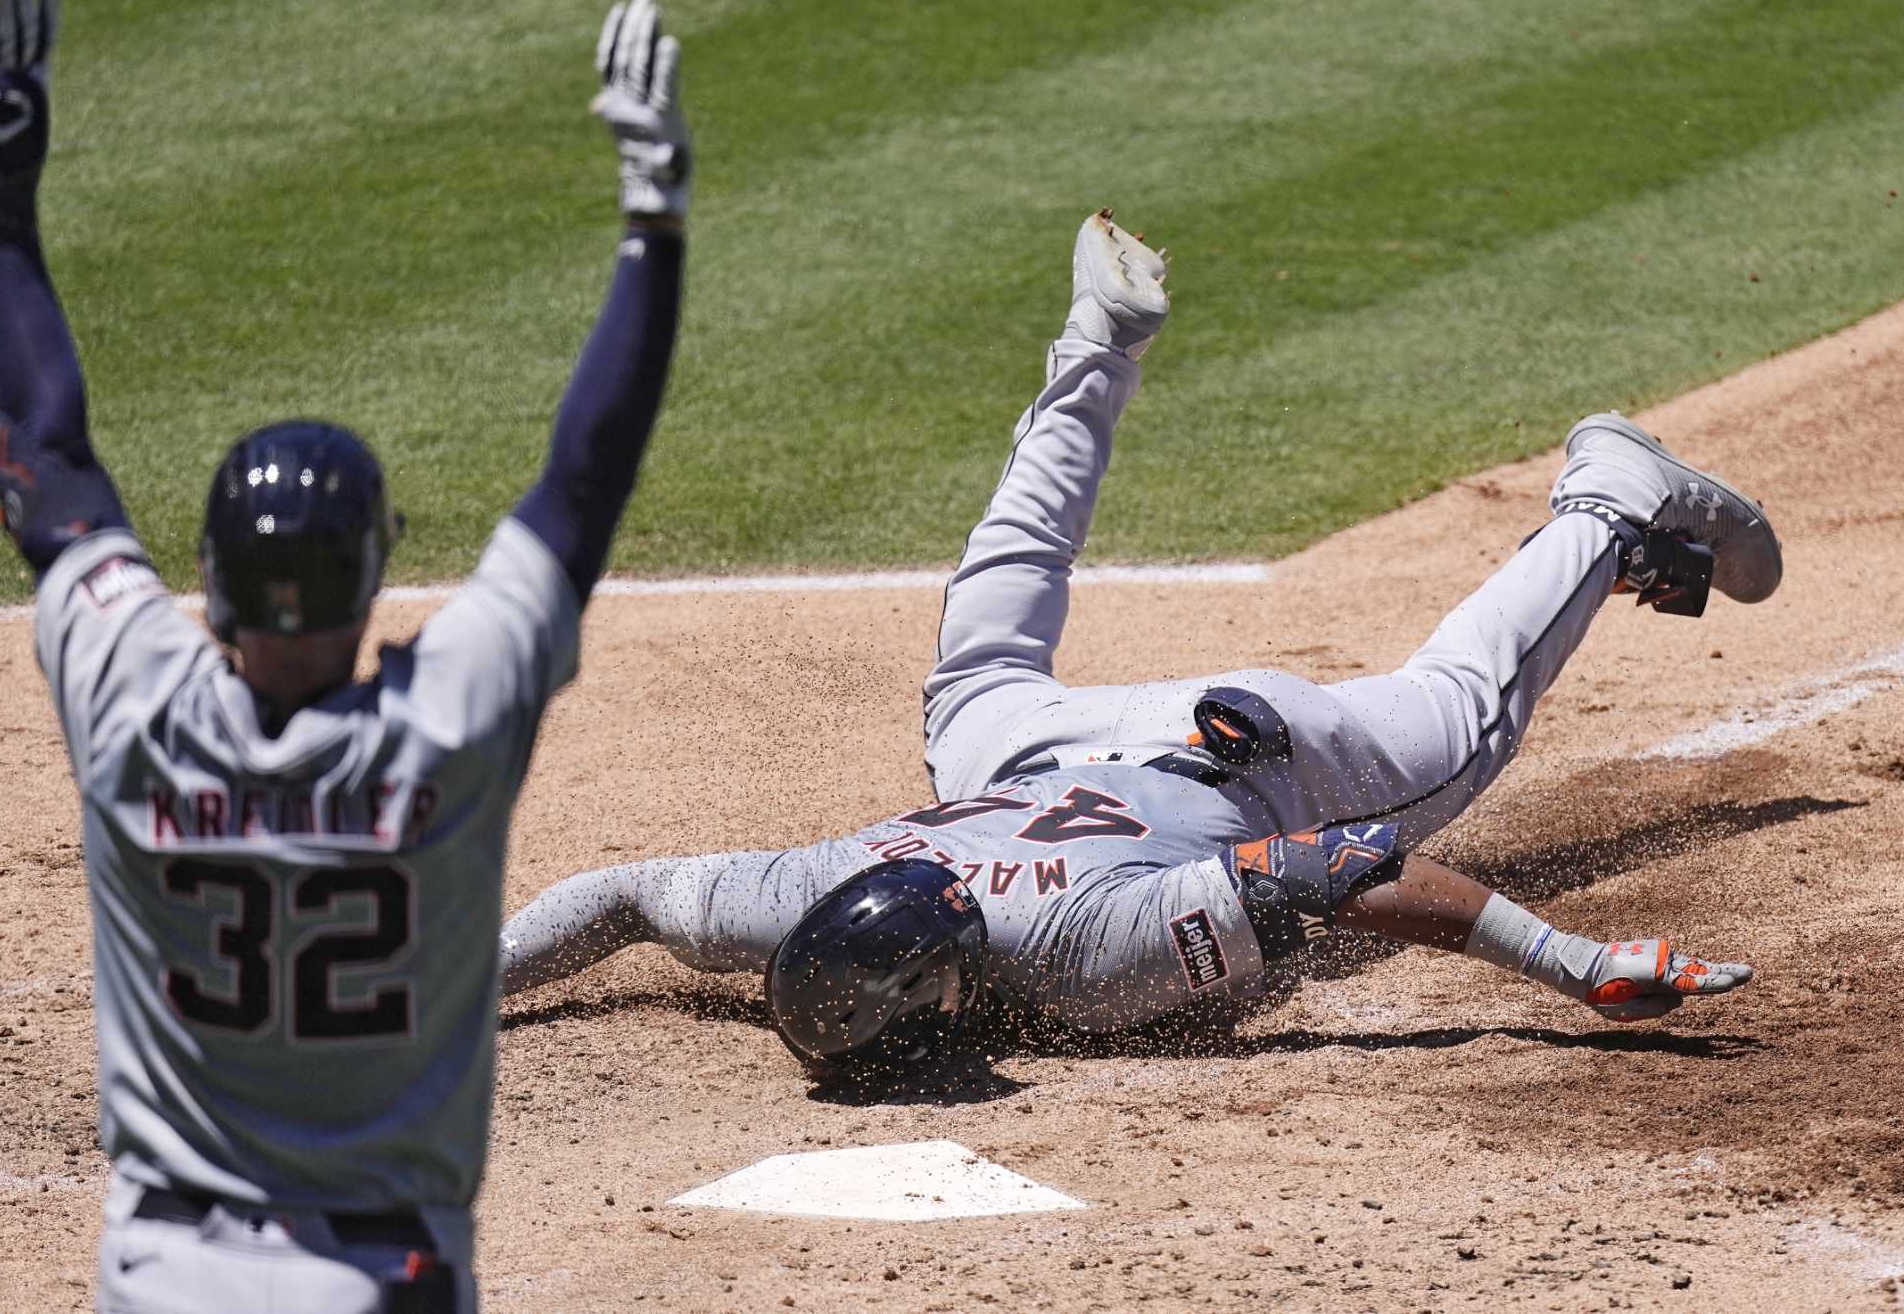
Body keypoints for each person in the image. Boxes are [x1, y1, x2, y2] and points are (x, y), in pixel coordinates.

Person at [496, 206, 1775, 1078]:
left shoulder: (1078, 964)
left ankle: (1605, 501)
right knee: (979, 664)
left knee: (1457, 718)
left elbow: (1329, 863)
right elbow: (623, 897)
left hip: (1242, 753)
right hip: (1025, 757)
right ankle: (1093, 346)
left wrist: (1572, 965)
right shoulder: (803, 897)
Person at [0, 0, 690, 1311]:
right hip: (386, 1273)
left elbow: (49, 447)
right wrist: (656, 226)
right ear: (372, 586)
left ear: (211, 587)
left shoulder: (130, 697)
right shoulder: (452, 718)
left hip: (164, 1276)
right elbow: (580, 488)